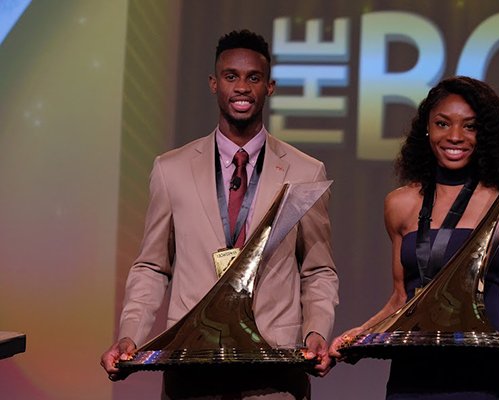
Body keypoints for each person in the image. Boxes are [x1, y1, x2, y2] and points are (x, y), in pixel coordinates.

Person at [100, 29, 338, 399]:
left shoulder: (306, 172)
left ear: (269, 87)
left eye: (253, 78)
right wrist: (131, 335)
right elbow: (152, 266)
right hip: (191, 363)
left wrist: (315, 333)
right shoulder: (171, 169)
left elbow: (318, 269)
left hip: (274, 366)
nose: (242, 87)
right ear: (214, 83)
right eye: (231, 76)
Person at [329, 76, 499, 399]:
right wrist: (360, 333)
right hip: (411, 375)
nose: (455, 136)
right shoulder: (399, 204)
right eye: (442, 124)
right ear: (427, 129)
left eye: (470, 126)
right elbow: (401, 300)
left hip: (479, 377)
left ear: (486, 135)